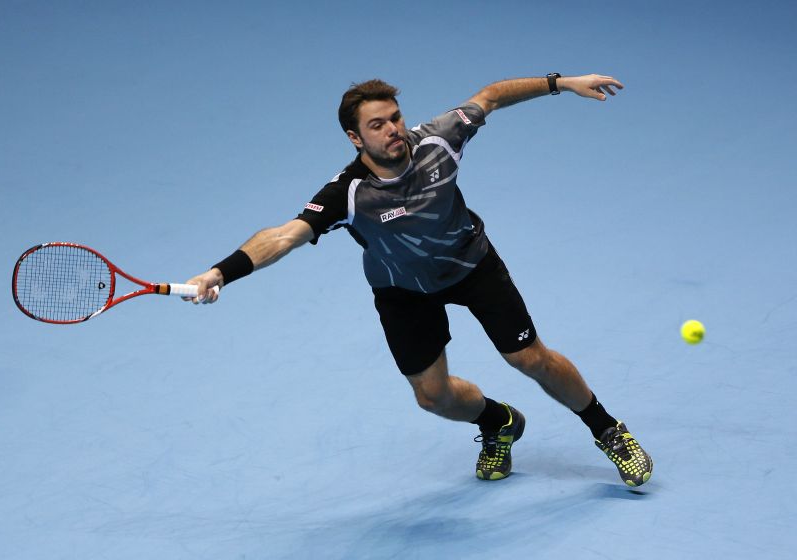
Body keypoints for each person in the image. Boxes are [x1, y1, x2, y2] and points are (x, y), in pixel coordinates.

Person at [185, 73, 653, 486]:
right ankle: (500, 423)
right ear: (354, 138)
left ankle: (607, 428)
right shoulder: (347, 194)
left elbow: (489, 96)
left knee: (530, 359)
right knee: (433, 397)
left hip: (472, 266)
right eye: (377, 125)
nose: (393, 131)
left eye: (394, 117)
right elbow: (284, 236)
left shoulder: (438, 140)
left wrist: (561, 83)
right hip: (402, 291)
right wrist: (221, 272)